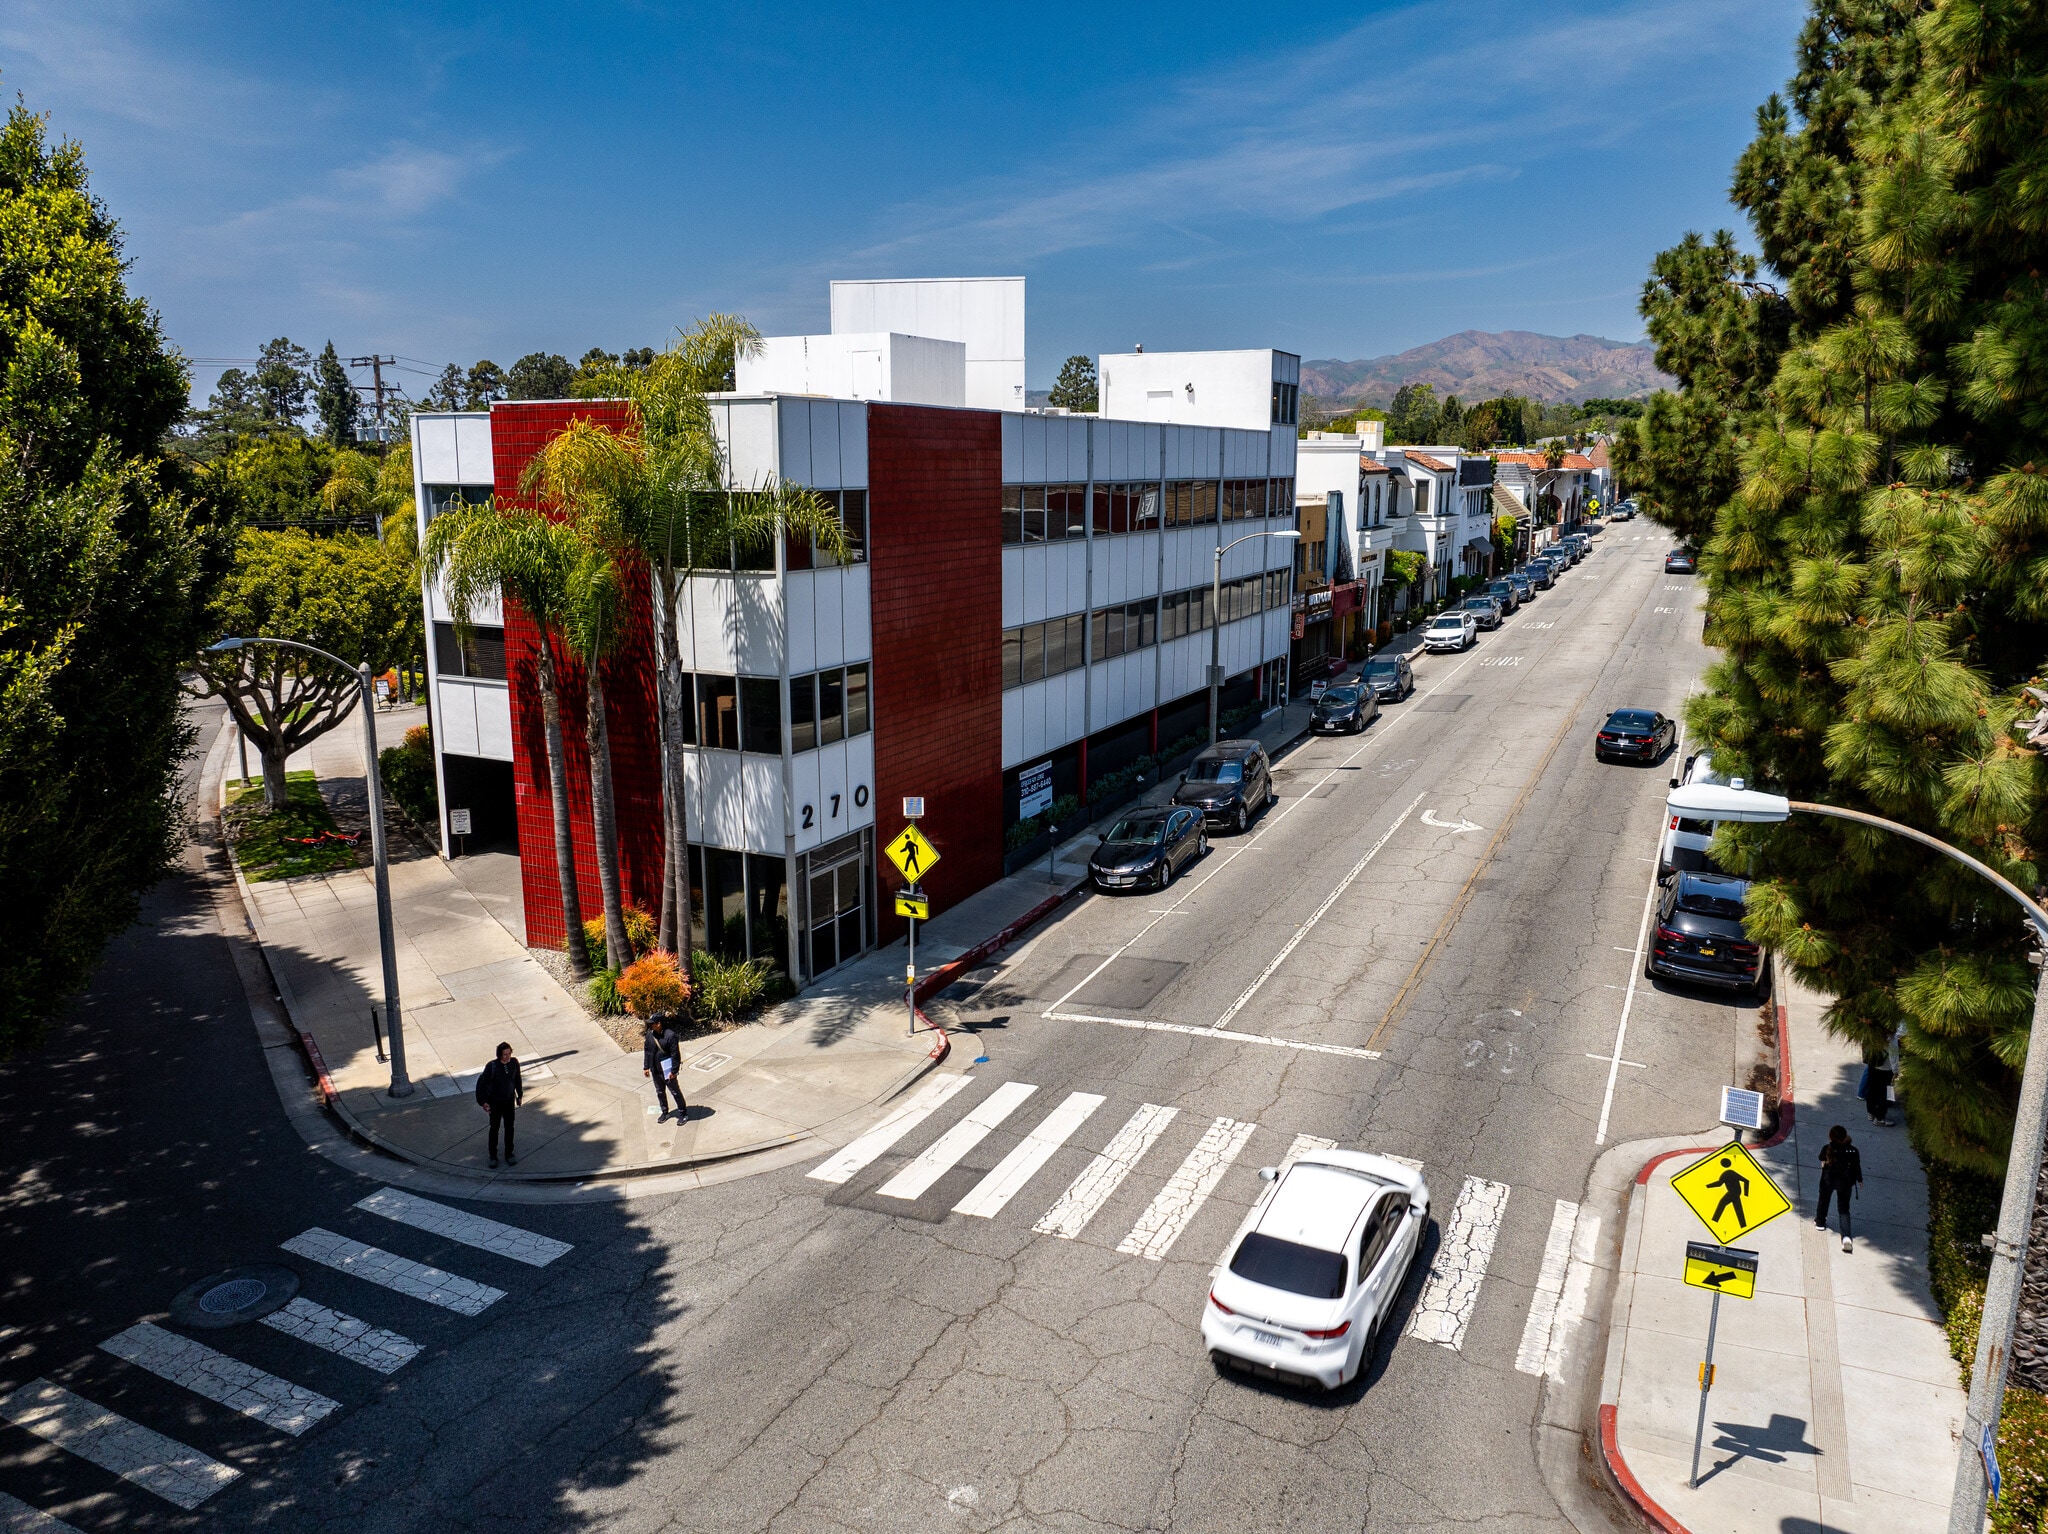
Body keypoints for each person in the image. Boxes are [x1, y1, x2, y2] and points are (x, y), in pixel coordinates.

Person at [475, 1042, 524, 1168]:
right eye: (504, 1055)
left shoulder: (514, 1063)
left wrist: (519, 1095)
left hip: (509, 1101)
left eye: (509, 1054)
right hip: (495, 1103)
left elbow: (517, 1079)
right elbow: (481, 1084)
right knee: (494, 1129)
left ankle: (509, 1153)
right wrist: (483, 1102)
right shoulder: (492, 1066)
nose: (507, 1057)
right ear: (499, 1055)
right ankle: (493, 1156)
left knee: (509, 1128)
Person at [1817, 1124, 1862, 1252]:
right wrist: (1859, 1179)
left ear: (1830, 1137)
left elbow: (1821, 1158)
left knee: (1824, 1200)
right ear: (1845, 1137)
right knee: (1843, 1208)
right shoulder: (1853, 1151)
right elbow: (1856, 1166)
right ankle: (1846, 1237)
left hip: (1828, 1180)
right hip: (1846, 1182)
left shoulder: (1827, 1148)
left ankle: (1820, 1221)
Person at [643, 1014, 689, 1123]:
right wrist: (646, 1067)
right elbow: (647, 1051)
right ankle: (665, 1112)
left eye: (652, 1023)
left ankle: (683, 1113)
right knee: (660, 1092)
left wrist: (674, 1071)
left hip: (667, 1071)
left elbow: (675, 1055)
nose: (649, 1025)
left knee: (675, 1092)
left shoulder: (670, 1036)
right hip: (655, 1069)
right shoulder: (650, 1035)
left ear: (658, 1024)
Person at [1861, 1059, 1895, 1127]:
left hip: (1873, 1065)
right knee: (1884, 1094)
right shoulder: (1892, 1047)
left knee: (1872, 1090)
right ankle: (1879, 1118)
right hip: (1886, 1069)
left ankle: (1871, 1113)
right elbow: (1894, 1057)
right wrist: (1896, 1070)